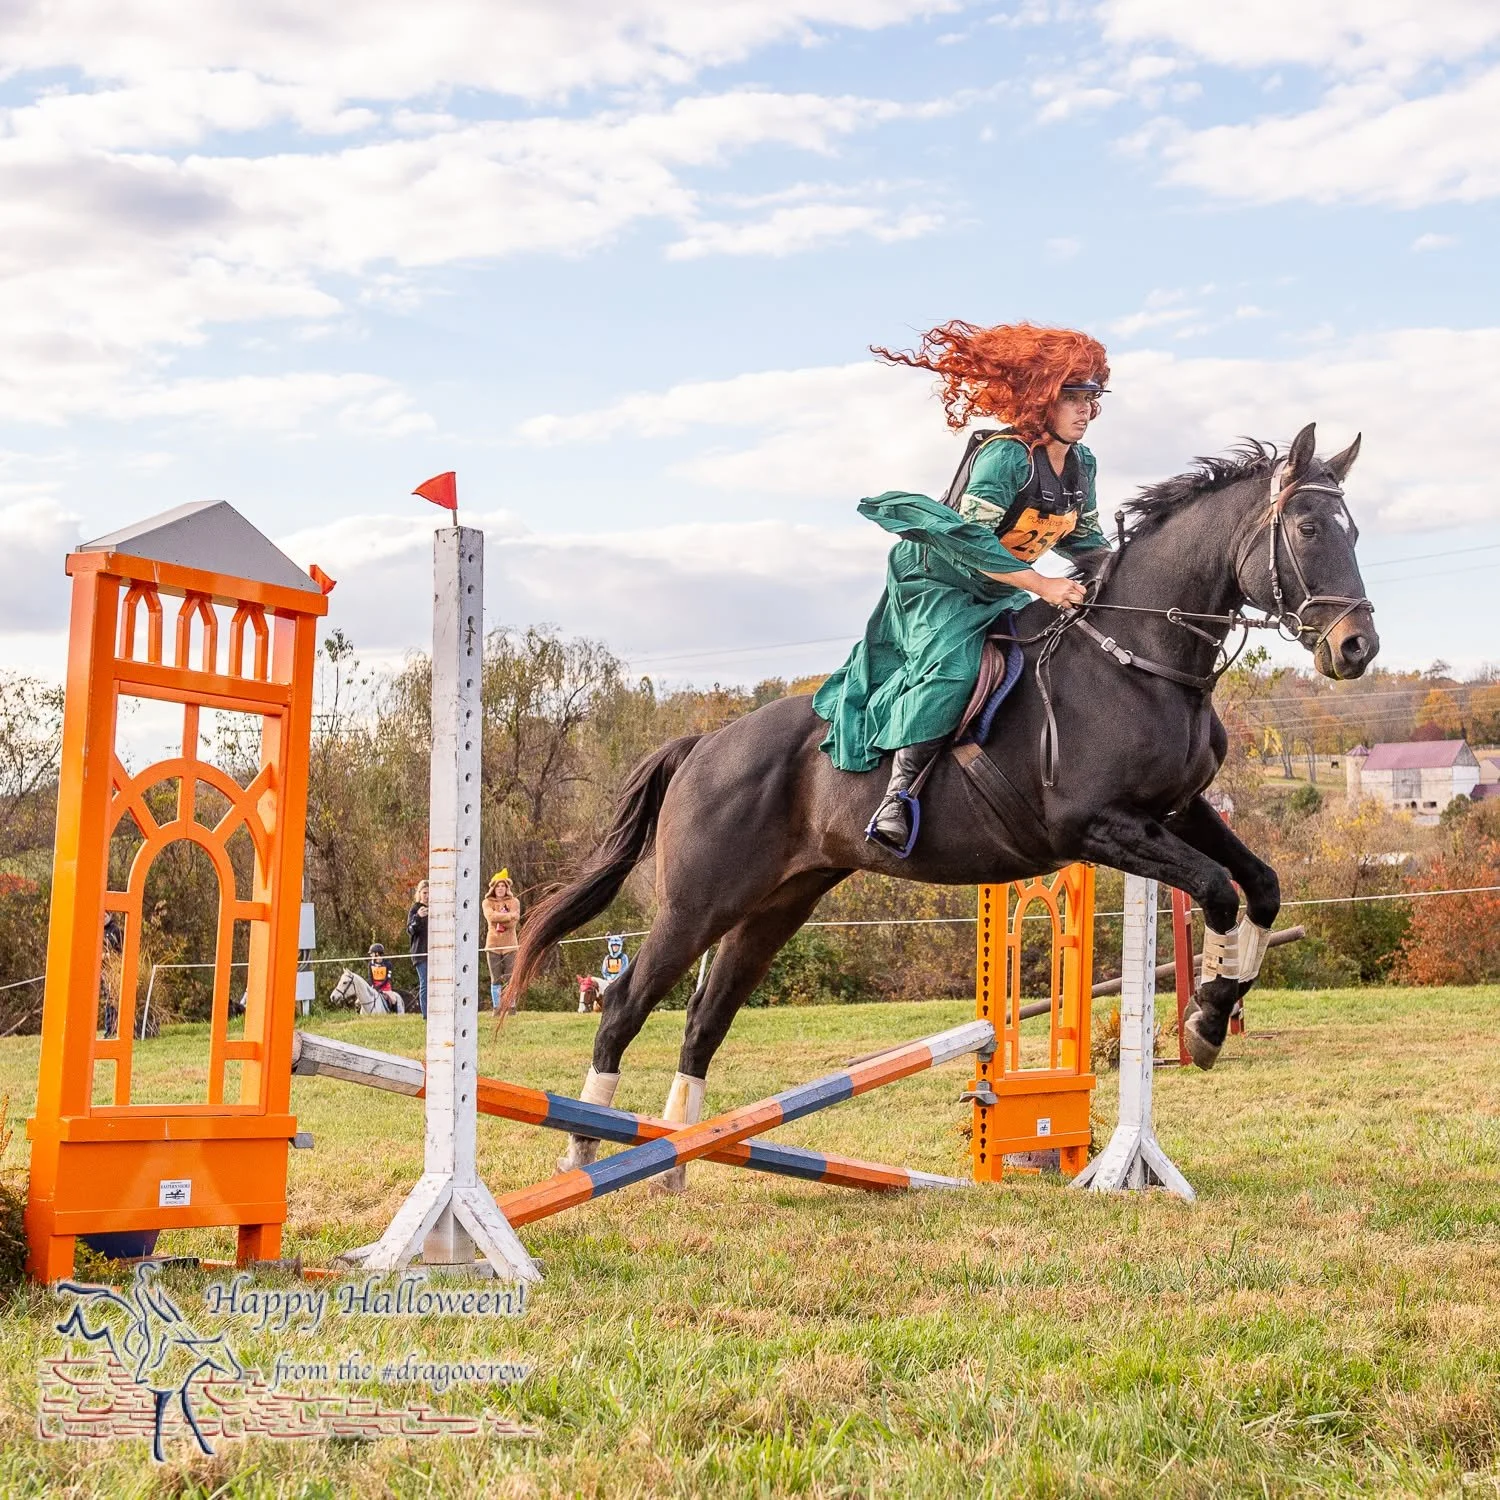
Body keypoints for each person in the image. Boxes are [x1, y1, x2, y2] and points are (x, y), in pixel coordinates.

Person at [813, 321, 1113, 855]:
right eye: (1072, 396)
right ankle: (896, 798)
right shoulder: (1005, 457)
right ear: (1040, 397)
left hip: (1000, 586)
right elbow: (972, 542)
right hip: (935, 579)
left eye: (1092, 396)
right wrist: (1043, 584)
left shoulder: (1082, 464)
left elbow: (1085, 540)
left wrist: (1120, 575)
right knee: (957, 667)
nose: (1085, 410)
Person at [482, 869, 521, 1015]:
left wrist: (506, 918)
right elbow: (490, 917)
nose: (500, 889)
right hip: (493, 945)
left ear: (507, 888)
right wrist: (509, 915)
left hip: (510, 945)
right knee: (495, 978)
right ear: (493, 888)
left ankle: (511, 1006)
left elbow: (513, 923)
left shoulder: (514, 901)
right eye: (498, 886)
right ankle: (497, 1007)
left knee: (510, 977)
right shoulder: (487, 902)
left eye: (503, 886)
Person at [406, 879, 429, 1019]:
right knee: (425, 983)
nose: (427, 896)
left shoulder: (437, 907)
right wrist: (418, 917)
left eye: (430, 893)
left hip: (436, 952)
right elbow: (410, 930)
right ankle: (426, 1014)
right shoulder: (415, 909)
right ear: (419, 893)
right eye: (425, 893)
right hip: (420, 953)